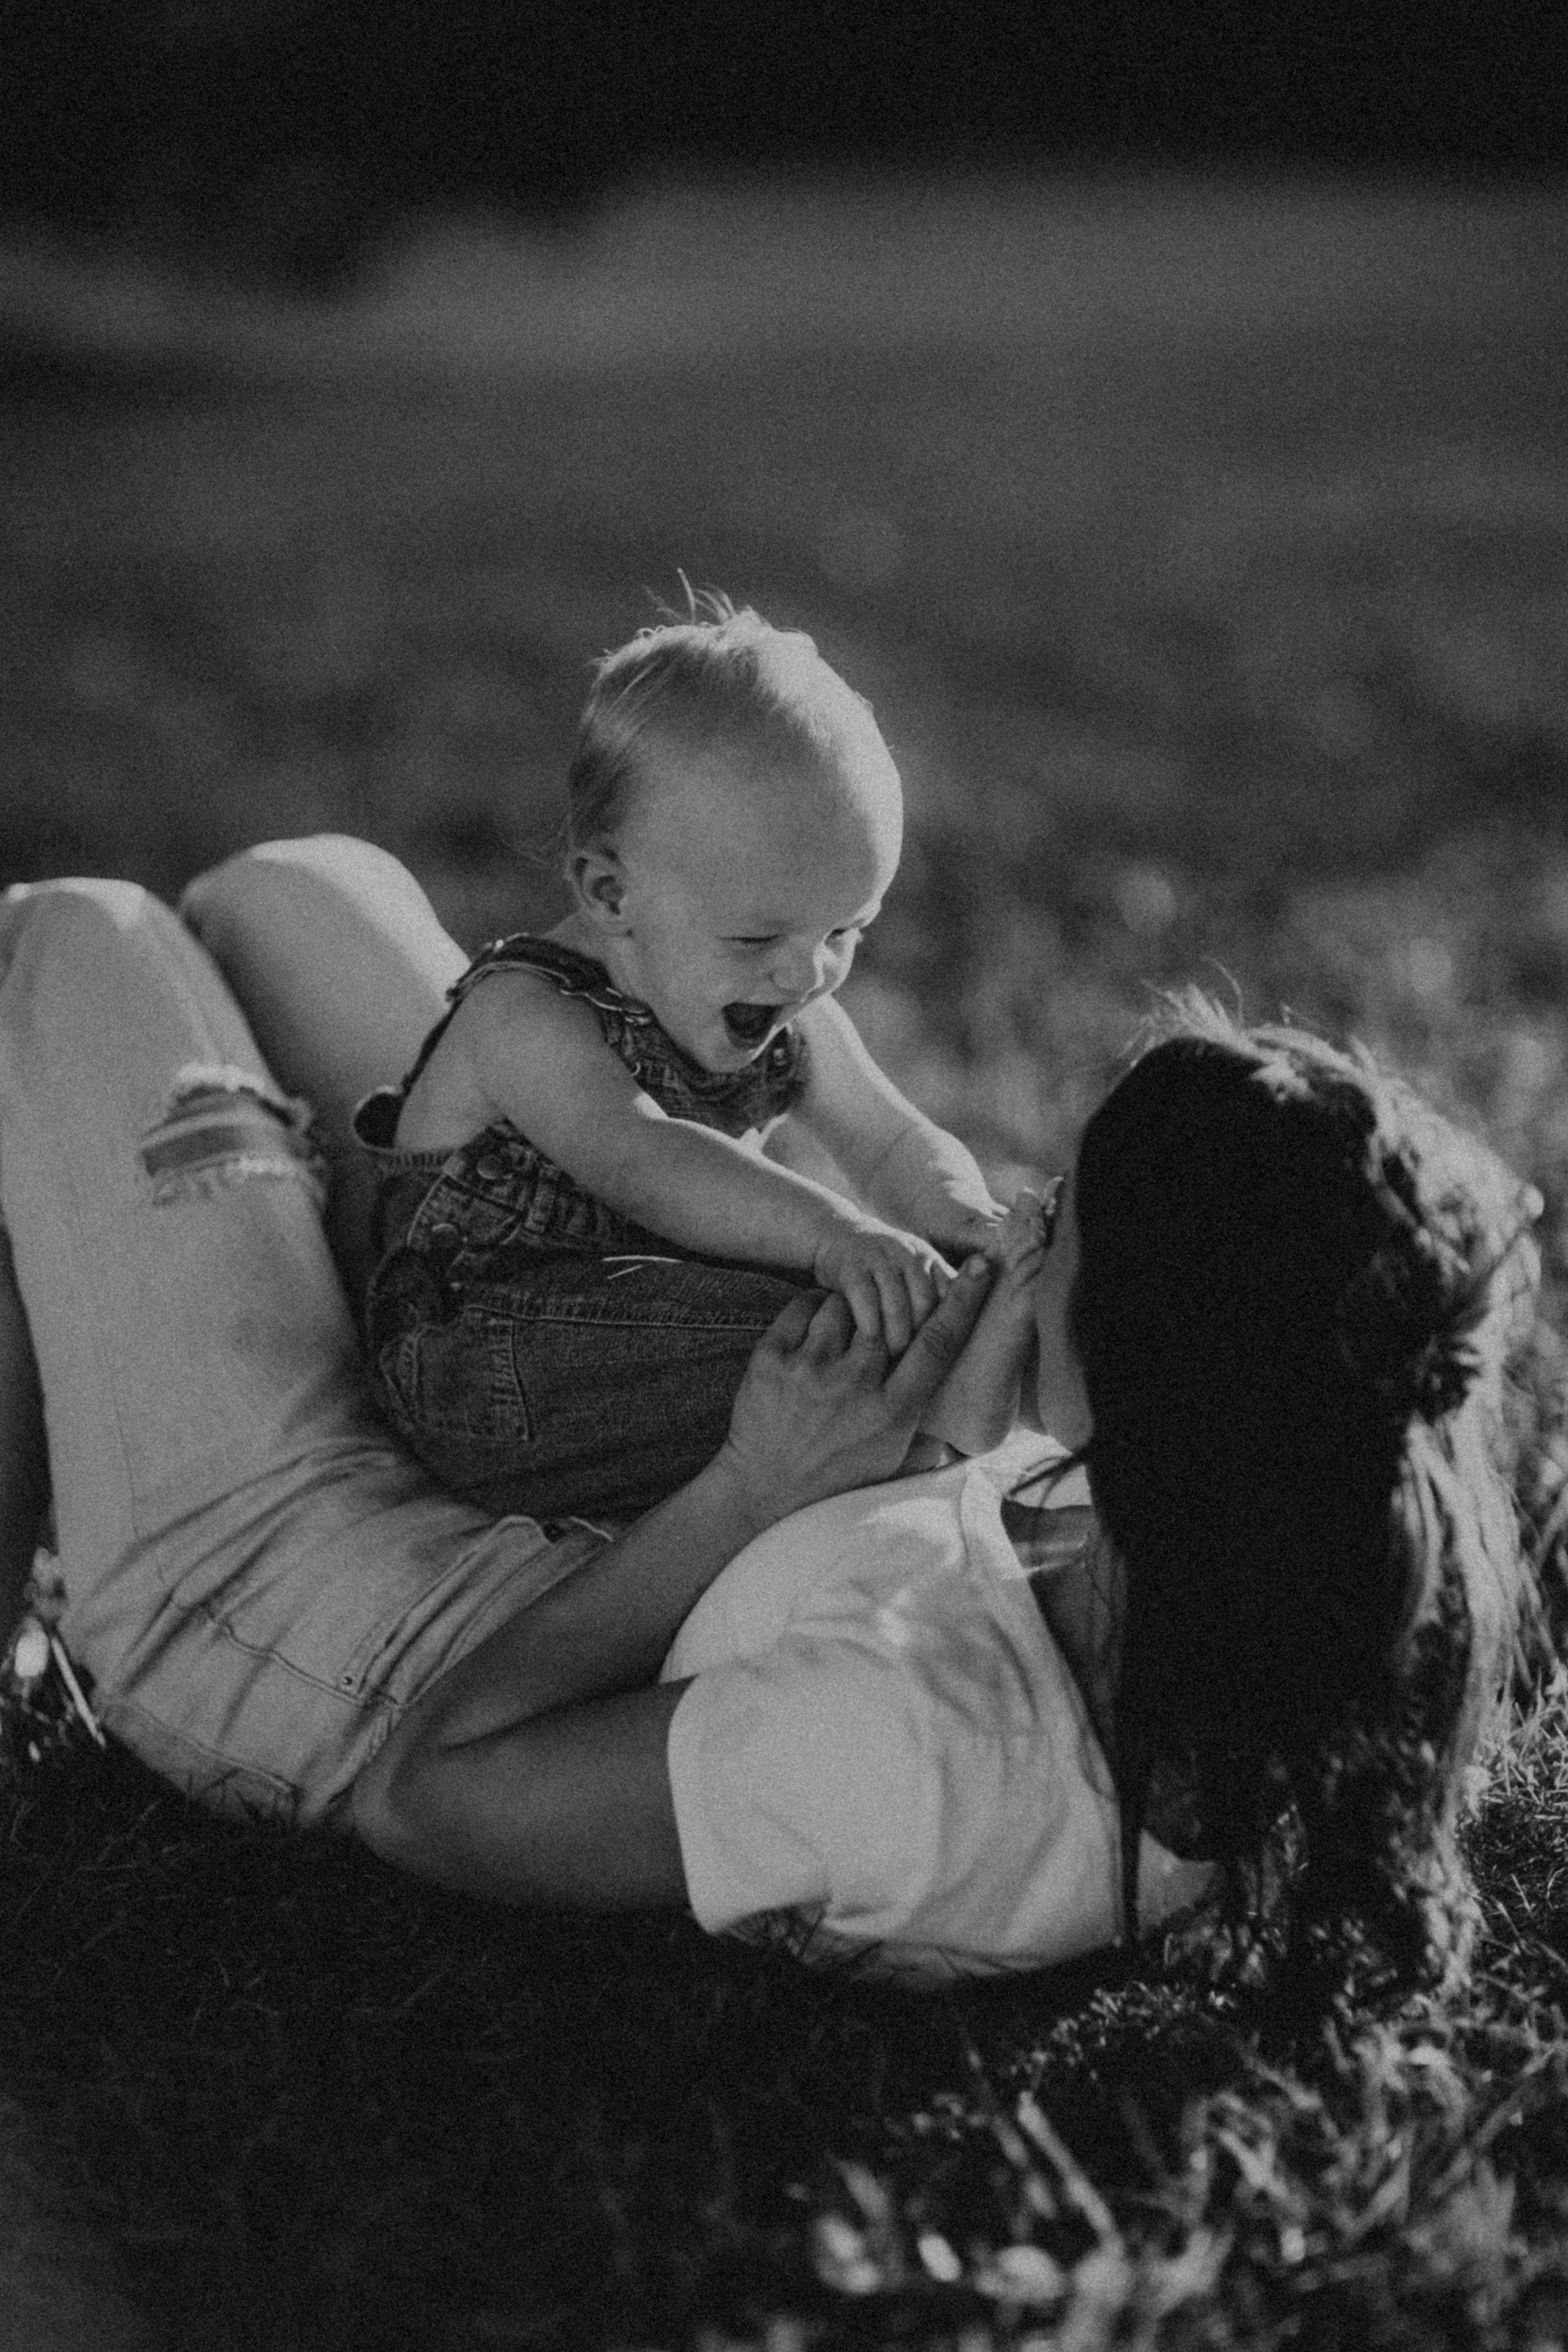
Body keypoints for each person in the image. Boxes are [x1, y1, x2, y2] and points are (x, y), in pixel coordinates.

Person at [0, 840, 1542, 1990]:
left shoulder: (910, 1755)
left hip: (333, 1631)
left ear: (1147, 1367)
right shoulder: (1224, 1569)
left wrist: (746, 1493)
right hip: (537, 1476)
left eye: (1062, 1223)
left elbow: (428, 1797)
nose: (1028, 1209)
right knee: (295, 891)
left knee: (67, 940)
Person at [352, 596, 1013, 1526]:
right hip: (490, 1368)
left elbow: (891, 1138)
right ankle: (941, 1391)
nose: (808, 971)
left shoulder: (789, 999)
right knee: (802, 1329)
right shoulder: (526, 1017)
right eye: (757, 937)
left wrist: (965, 1217)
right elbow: (644, 1162)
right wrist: (836, 1237)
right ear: (611, 893)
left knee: (820, 1319)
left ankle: (945, 1364)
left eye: (846, 930)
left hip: (656, 1321)